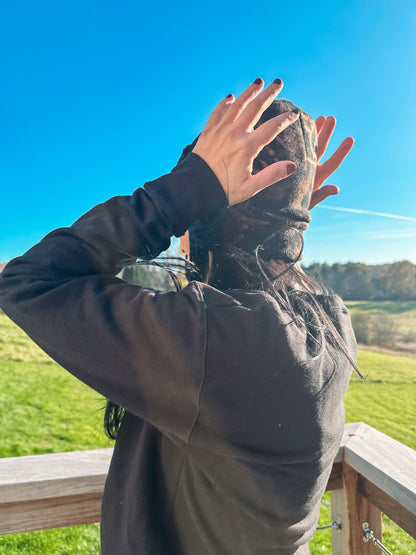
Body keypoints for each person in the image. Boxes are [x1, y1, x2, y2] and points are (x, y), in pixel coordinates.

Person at [0, 78, 358, 554]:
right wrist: (277, 215)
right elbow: (267, 279)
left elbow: (29, 281)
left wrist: (190, 189)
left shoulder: (220, 341)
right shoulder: (328, 327)